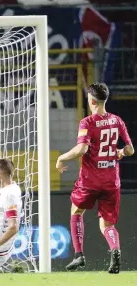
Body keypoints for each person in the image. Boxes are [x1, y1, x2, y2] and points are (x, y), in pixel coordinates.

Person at [56, 83, 134, 274]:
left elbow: (81, 149)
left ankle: (79, 255)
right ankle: (115, 250)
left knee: (76, 211)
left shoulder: (88, 122)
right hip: (111, 181)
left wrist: (61, 157)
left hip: (90, 180)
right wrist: (121, 152)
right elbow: (130, 150)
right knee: (107, 224)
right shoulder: (117, 120)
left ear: (91, 101)